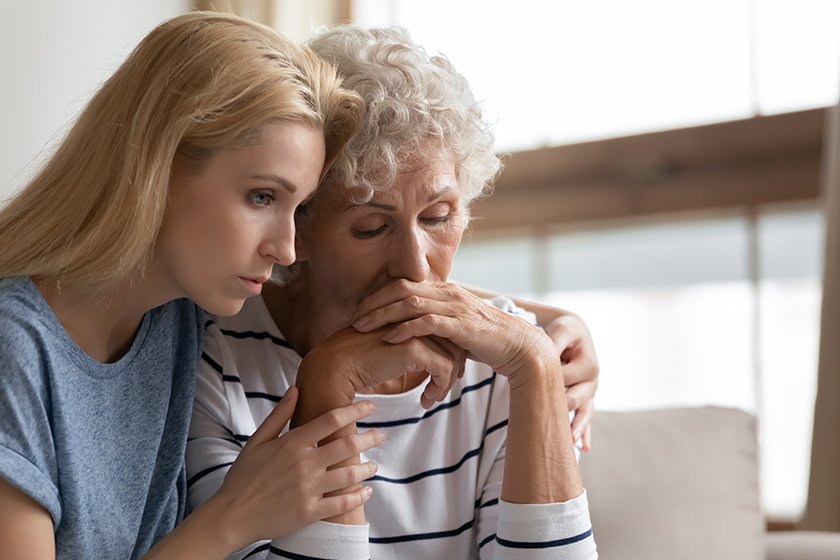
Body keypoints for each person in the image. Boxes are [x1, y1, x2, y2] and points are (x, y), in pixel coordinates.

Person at [187, 25, 598, 559]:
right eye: (369, 228)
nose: (414, 265)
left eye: (438, 216)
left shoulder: (511, 360)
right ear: (299, 227)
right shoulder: (218, 362)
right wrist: (328, 382)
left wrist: (538, 361)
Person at [0, 12, 394, 560]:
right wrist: (235, 517)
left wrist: (537, 332)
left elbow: (376, 286)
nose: (286, 249)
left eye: (296, 208)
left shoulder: (179, 308)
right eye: (262, 197)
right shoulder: (14, 348)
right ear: (156, 165)